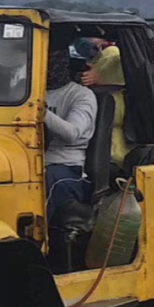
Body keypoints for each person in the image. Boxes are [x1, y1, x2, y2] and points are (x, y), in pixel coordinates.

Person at [44, 37, 97, 212]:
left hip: (67, 166)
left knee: (45, 182)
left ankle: (36, 238)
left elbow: (72, 133)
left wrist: (41, 112)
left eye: (54, 57)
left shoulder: (81, 95)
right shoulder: (24, 90)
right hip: (23, 159)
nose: (50, 63)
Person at [78, 36, 129, 171]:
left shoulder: (112, 55)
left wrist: (98, 78)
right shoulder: (97, 60)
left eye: (92, 37)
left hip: (111, 126)